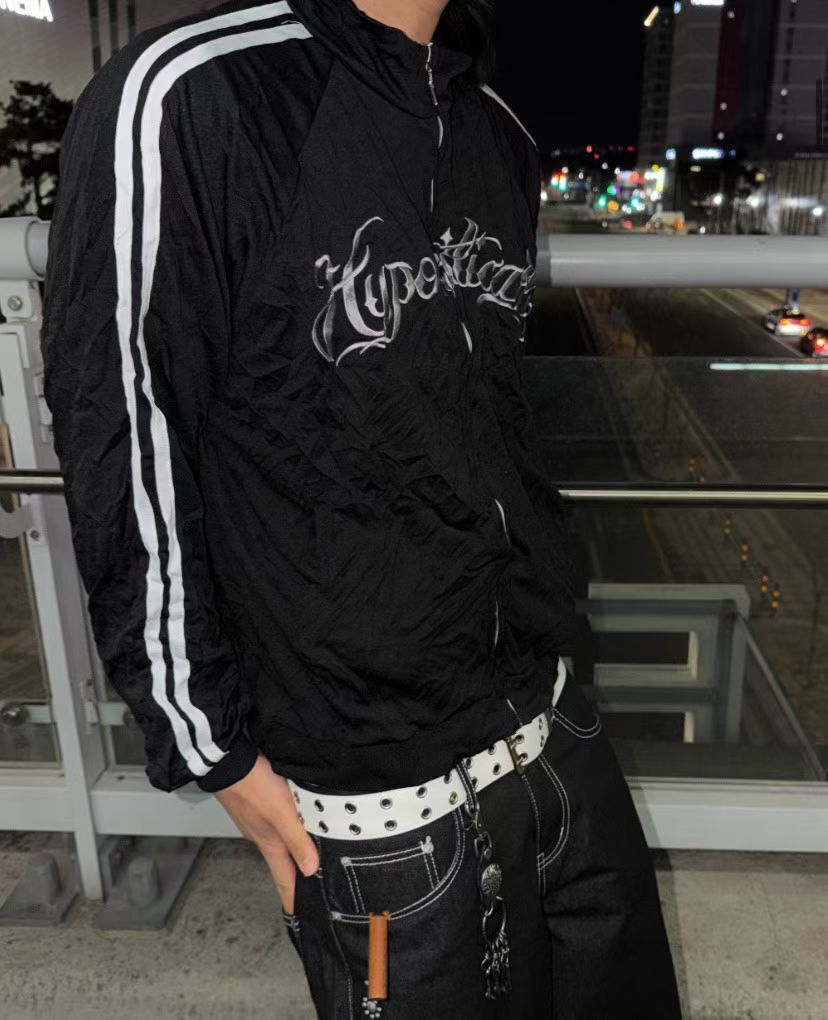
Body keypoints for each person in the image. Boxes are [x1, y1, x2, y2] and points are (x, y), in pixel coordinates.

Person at [41, 0, 681, 1015]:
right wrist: (210, 745)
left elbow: (496, 426)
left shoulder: (496, 131)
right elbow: (121, 428)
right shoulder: (191, 94)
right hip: (379, 811)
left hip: (558, 737)